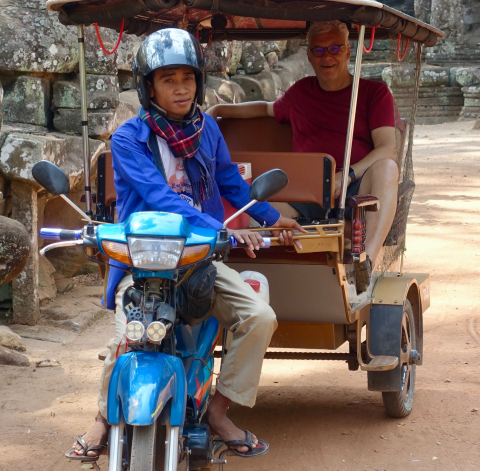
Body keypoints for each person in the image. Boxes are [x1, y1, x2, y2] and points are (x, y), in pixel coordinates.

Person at [67, 28, 304, 462]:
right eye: (168, 79)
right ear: (149, 86)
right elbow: (160, 199)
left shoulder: (207, 128)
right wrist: (226, 230)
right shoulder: (127, 139)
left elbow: (231, 180)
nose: (181, 88)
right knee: (126, 338)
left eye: (188, 78)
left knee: (259, 317)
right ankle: (102, 419)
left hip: (200, 260)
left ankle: (218, 410)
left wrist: (272, 218)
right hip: (144, 262)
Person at [206, 20, 399, 292]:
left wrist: (347, 175)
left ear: (347, 52)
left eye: (334, 48)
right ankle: (229, 274)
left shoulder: (373, 93)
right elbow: (265, 109)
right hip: (304, 193)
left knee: (388, 168)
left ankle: (365, 260)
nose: (326, 57)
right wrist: (217, 111)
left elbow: (387, 148)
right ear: (309, 56)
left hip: (356, 187)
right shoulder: (300, 93)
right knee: (247, 207)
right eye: (318, 51)